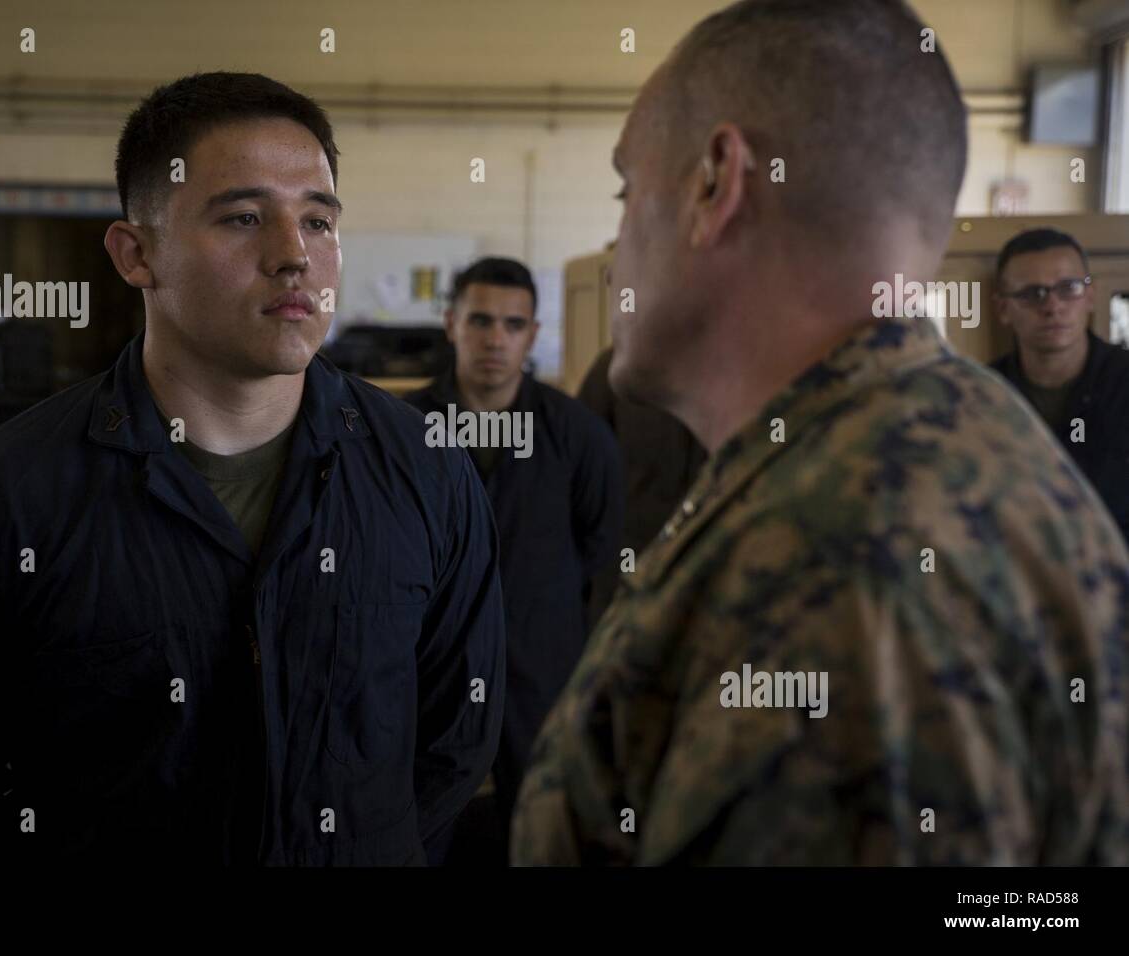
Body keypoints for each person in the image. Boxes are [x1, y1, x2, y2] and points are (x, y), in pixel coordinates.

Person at [512, 0, 1129, 866]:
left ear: (714, 183)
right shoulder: (946, 443)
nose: (619, 237)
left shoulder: (838, 553)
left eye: (627, 189)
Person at [0, 72, 505, 866]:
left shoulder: (427, 474)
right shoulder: (0, 502)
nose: (293, 257)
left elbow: (455, 740)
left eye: (318, 220)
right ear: (137, 254)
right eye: (244, 217)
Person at [404, 257, 622, 861]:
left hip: (544, 668)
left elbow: (601, 551)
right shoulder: (404, 433)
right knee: (422, 825)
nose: (495, 338)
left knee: (544, 829)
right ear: (450, 323)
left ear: (532, 333)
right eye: (480, 320)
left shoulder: (578, 437)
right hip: (430, 670)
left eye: (512, 323)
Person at [990, 228, 1129, 543]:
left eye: (1069, 288)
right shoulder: (983, 396)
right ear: (1003, 309)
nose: (1052, 307)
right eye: (1032, 294)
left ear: (1090, 297)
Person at [577, 345, 706, 628]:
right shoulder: (614, 369)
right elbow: (579, 479)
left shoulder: (736, 372)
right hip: (622, 579)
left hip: (706, 573)